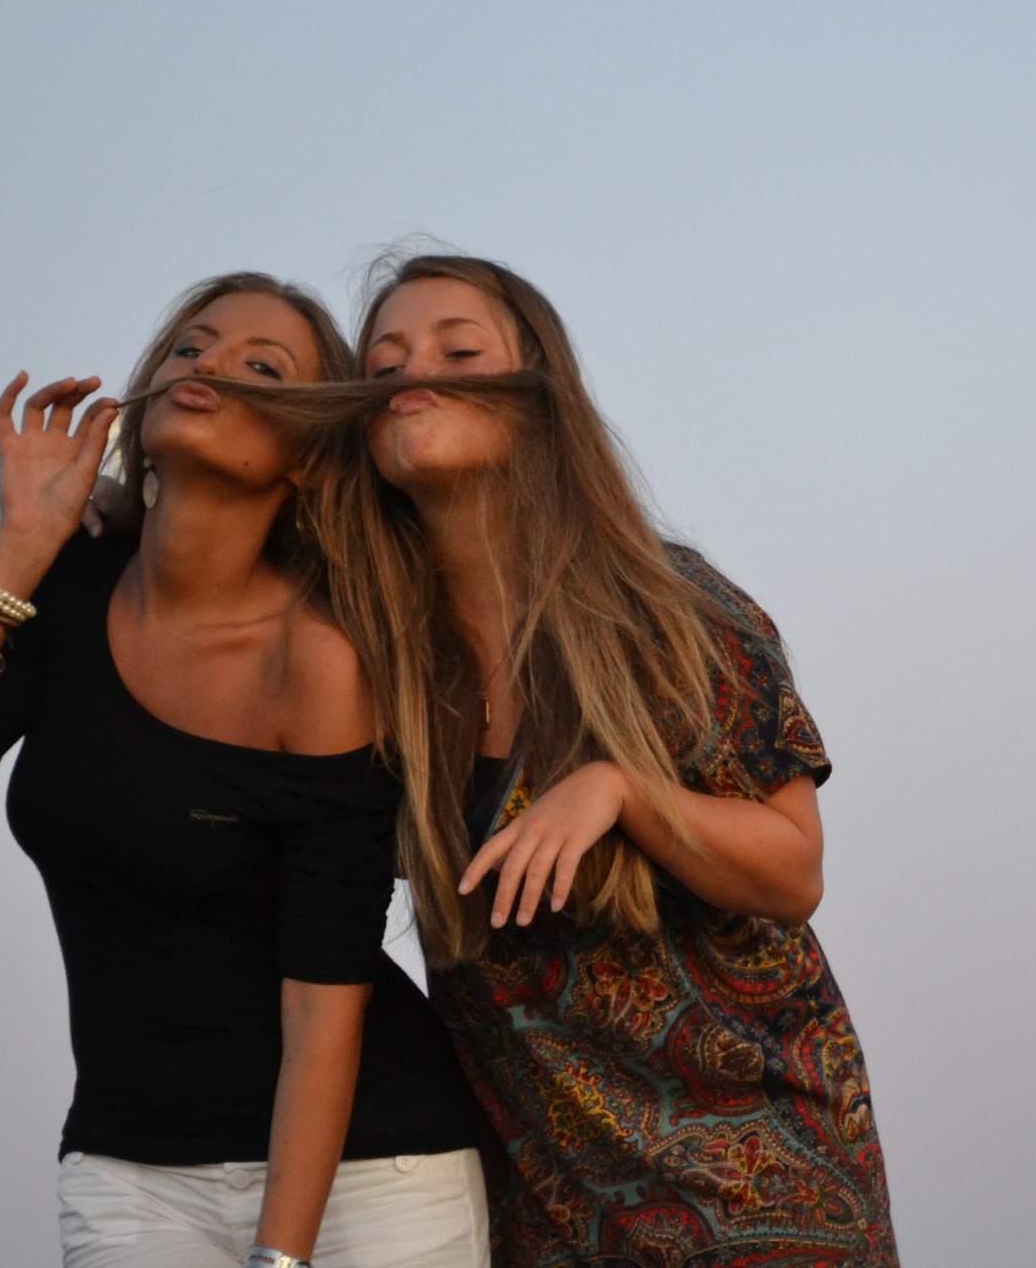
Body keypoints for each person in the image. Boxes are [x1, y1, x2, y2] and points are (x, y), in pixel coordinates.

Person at [0, 273, 492, 1268]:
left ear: (310, 456)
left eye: (262, 368)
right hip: (128, 1167)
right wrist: (20, 546)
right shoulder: (67, 587)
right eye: (191, 346)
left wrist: (279, 1259)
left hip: (369, 1170)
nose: (211, 366)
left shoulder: (319, 660)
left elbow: (323, 1003)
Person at [339, 251, 898, 1268]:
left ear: (538, 398)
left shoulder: (666, 604)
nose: (413, 373)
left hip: (760, 1189)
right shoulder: (373, 654)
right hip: (550, 1202)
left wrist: (623, 790)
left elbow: (793, 870)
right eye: (383, 364)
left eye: (458, 352)